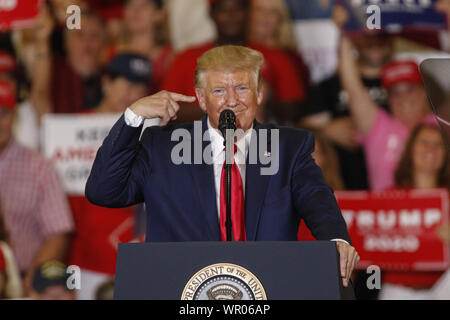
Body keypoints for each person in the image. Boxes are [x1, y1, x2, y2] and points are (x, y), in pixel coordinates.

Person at [86, 45, 359, 287]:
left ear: (259, 94)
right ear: (202, 99)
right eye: (219, 90)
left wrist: (337, 240)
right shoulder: (163, 147)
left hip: (267, 290)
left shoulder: (288, 147)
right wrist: (133, 118)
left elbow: (316, 198)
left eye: (242, 88)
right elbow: (104, 190)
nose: (232, 100)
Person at [69, 53, 149, 300]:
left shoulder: (153, 134)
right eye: (125, 81)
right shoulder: (72, 128)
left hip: (138, 257)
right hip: (87, 260)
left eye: (139, 85)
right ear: (106, 82)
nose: (131, 91)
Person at [161, 0, 307, 125]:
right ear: (212, 13)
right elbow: (167, 108)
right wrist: (222, 105)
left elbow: (295, 111)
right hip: (198, 146)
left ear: (248, 12)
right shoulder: (187, 58)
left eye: (237, 8)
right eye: (223, 9)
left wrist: (267, 98)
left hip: (261, 145)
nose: (231, 16)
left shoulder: (275, 56)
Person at [0, 79, 74, 295]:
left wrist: (27, 282)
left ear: (15, 116)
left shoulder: (39, 167)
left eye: (4, 113)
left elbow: (58, 233)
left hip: (24, 277)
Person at [339, 36, 437, 191]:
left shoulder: (442, 125)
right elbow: (352, 87)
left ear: (424, 91)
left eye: (410, 89)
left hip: (439, 212)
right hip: (385, 212)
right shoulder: (379, 126)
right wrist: (344, 33)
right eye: (395, 93)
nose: (404, 98)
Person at [300, 32, 392, 190]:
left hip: (392, 188)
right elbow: (302, 134)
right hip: (337, 188)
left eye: (381, 36)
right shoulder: (329, 86)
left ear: (392, 38)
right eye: (368, 37)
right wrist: (325, 131)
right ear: (355, 39)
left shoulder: (404, 87)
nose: (374, 43)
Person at [379, 124, 450, 299]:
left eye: (438, 144)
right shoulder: (389, 197)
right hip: (398, 291)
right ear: (410, 150)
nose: (430, 149)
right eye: (424, 142)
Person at [31, 6, 106, 117]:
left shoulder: (113, 76)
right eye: (80, 35)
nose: (87, 42)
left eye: (94, 36)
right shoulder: (54, 72)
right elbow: (40, 99)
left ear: (104, 42)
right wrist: (42, 41)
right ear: (66, 41)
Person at [108, 0, 172, 92]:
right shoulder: (110, 53)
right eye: (130, 4)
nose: (135, 10)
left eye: (144, 5)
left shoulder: (169, 58)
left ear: (159, 14)